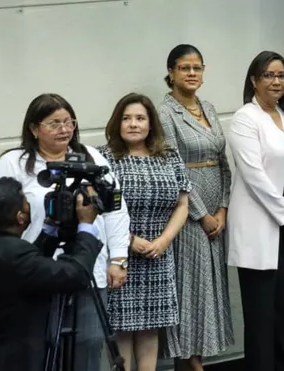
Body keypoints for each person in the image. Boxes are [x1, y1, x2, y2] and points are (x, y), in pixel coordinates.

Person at [0, 93, 131, 371]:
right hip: (36, 270)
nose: (64, 129)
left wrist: (118, 258)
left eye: (69, 122)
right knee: (41, 346)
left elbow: (115, 210)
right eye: (54, 123)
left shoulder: (91, 157)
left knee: (88, 346)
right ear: (34, 128)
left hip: (87, 269)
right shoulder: (14, 162)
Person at [226, 52, 284, 371]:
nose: (276, 81)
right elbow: (253, 175)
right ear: (254, 80)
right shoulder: (244, 118)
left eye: (282, 75)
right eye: (268, 75)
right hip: (261, 219)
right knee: (261, 314)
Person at [99, 93, 190, 371]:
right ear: (117, 123)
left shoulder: (169, 156)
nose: (133, 124)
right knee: (122, 328)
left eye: (140, 118)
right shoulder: (104, 158)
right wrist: (129, 240)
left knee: (151, 328)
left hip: (159, 253)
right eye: (126, 118)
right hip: (119, 255)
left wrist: (164, 240)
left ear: (151, 124)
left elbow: (183, 204)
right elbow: (98, 210)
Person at [158, 44, 234, 369]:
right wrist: (202, 215)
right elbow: (174, 167)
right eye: (184, 68)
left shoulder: (209, 108)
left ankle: (197, 360)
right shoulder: (164, 113)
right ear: (171, 73)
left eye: (197, 68)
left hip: (216, 212)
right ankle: (190, 363)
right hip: (188, 215)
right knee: (191, 290)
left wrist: (223, 209)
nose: (192, 73)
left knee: (209, 291)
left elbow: (223, 161)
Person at [0, 177, 103, 371]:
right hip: (13, 359)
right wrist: (86, 227)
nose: (30, 208)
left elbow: (30, 269)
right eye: (27, 204)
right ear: (20, 217)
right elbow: (76, 275)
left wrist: (50, 230)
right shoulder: (14, 254)